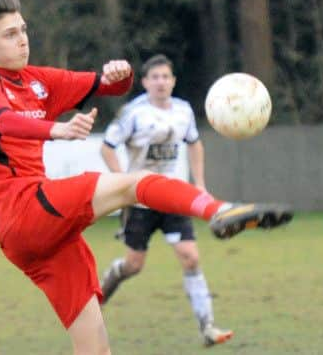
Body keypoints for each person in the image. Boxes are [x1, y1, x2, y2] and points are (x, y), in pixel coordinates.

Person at [0, 0, 292, 355]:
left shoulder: (37, 80)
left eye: (23, 29)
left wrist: (121, 74)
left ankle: (220, 212)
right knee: (135, 183)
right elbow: (1, 121)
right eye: (10, 34)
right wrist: (55, 130)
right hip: (23, 210)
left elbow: (108, 86)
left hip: (41, 238)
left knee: (96, 349)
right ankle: (218, 210)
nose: (23, 38)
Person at [99, 54, 232, 346]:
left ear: (173, 81)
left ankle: (208, 327)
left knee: (191, 257)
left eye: (165, 77)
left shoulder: (183, 111)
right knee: (134, 265)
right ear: (145, 82)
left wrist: (199, 184)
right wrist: (123, 182)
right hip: (140, 200)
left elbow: (195, 144)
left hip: (172, 197)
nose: (160, 82)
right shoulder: (133, 112)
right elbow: (107, 148)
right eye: (154, 77)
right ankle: (106, 285)